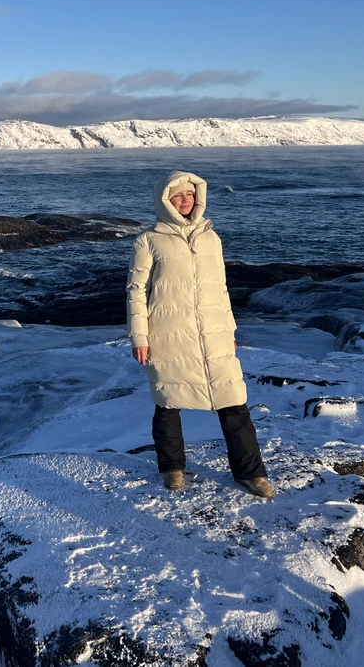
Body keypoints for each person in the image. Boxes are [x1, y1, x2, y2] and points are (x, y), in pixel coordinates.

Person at [126, 170, 273, 498]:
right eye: (176, 196)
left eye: (188, 195)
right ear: (165, 200)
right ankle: (172, 468)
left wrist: (229, 329)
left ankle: (252, 473)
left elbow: (221, 288)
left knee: (234, 402)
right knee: (167, 402)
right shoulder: (148, 241)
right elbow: (136, 291)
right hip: (168, 333)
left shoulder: (211, 238)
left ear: (197, 198)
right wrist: (140, 336)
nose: (184, 201)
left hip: (212, 333)